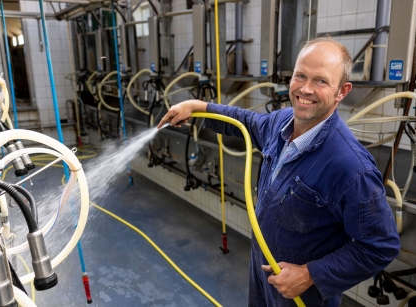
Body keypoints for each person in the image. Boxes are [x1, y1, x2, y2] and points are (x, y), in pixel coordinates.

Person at [157, 36, 400, 307]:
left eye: (320, 80)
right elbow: (245, 122)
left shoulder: (351, 167)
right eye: (300, 76)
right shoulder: (282, 122)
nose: (305, 89)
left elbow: (380, 246)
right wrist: (199, 108)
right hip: (263, 269)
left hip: (302, 293)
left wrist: (310, 275)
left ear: (342, 91)